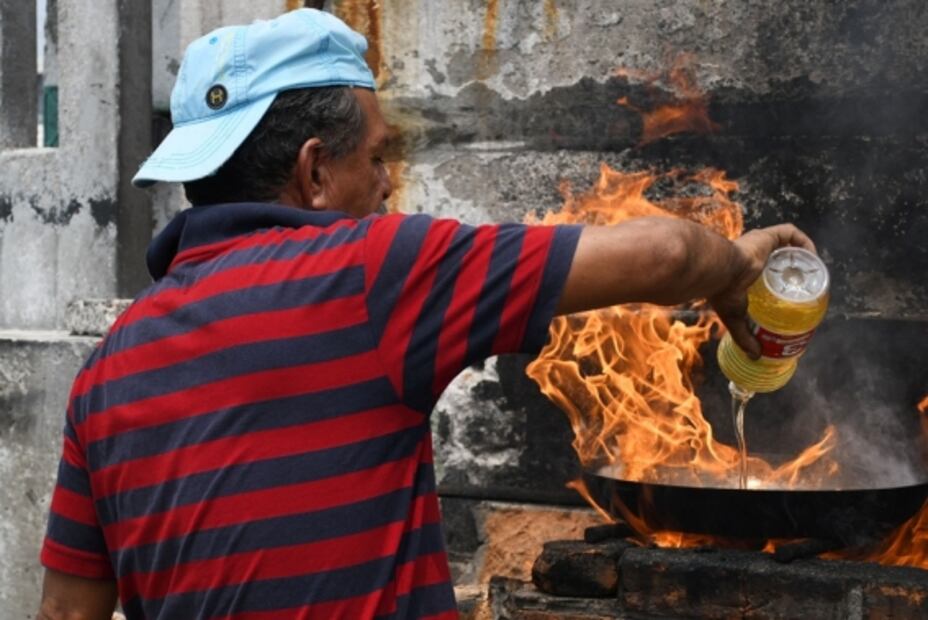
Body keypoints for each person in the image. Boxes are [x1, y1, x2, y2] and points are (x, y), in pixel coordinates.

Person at [37, 9, 815, 620]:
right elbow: (667, 258)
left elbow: (68, 612)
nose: (385, 184)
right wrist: (737, 267)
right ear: (314, 170)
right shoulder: (371, 273)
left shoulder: (106, 372)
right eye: (377, 157)